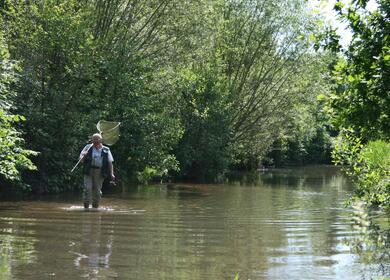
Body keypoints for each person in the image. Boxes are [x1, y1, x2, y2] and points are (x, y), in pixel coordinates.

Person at [79, 133, 115, 209]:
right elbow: (81, 161)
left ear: (101, 140)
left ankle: (95, 207)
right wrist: (84, 156)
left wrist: (111, 173)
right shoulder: (87, 147)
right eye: (94, 139)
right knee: (87, 189)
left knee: (97, 191)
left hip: (99, 172)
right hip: (88, 171)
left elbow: (110, 162)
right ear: (92, 140)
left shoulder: (106, 149)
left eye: (97, 139)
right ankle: (86, 207)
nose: (95, 141)